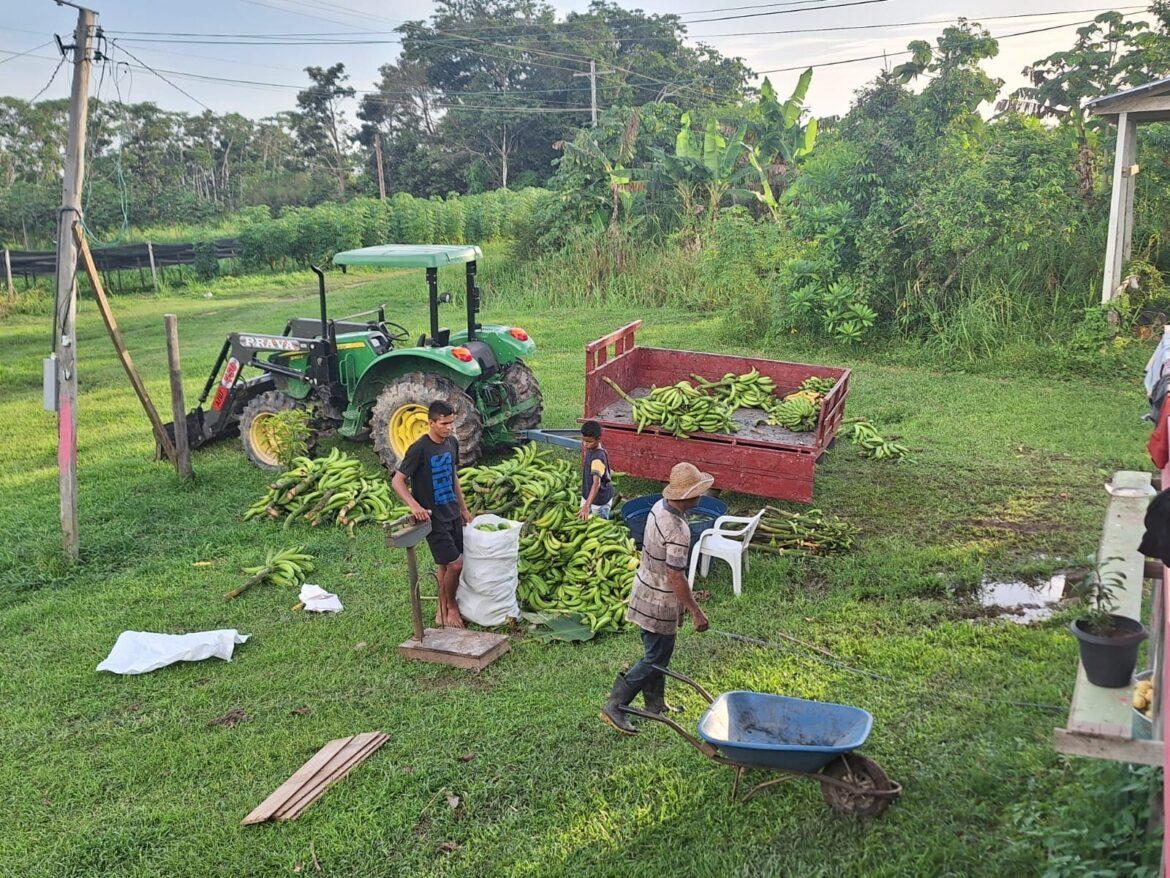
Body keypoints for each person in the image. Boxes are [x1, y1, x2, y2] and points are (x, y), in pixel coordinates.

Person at [600, 462, 711, 735]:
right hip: (659, 600)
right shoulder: (678, 530)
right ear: (688, 496)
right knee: (654, 658)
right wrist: (695, 611)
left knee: (660, 653)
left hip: (645, 588)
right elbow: (676, 576)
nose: (702, 496)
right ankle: (615, 705)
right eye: (699, 491)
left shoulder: (659, 507)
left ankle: (654, 704)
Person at [391, 400, 473, 629]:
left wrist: (463, 509)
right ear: (431, 423)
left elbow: (453, 476)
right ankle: (452, 606)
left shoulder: (452, 443)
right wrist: (414, 506)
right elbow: (397, 481)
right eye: (444, 423)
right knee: (456, 565)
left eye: (451, 423)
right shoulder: (419, 448)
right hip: (433, 518)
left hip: (452, 513)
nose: (449, 428)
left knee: (445, 565)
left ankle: (441, 609)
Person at [578, 420, 614, 520]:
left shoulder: (597, 458)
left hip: (599, 500)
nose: (585, 444)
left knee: (599, 523)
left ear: (598, 439)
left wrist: (586, 506)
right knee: (583, 519)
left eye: (589, 441)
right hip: (589, 496)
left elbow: (596, 484)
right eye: (583, 440)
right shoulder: (592, 449)